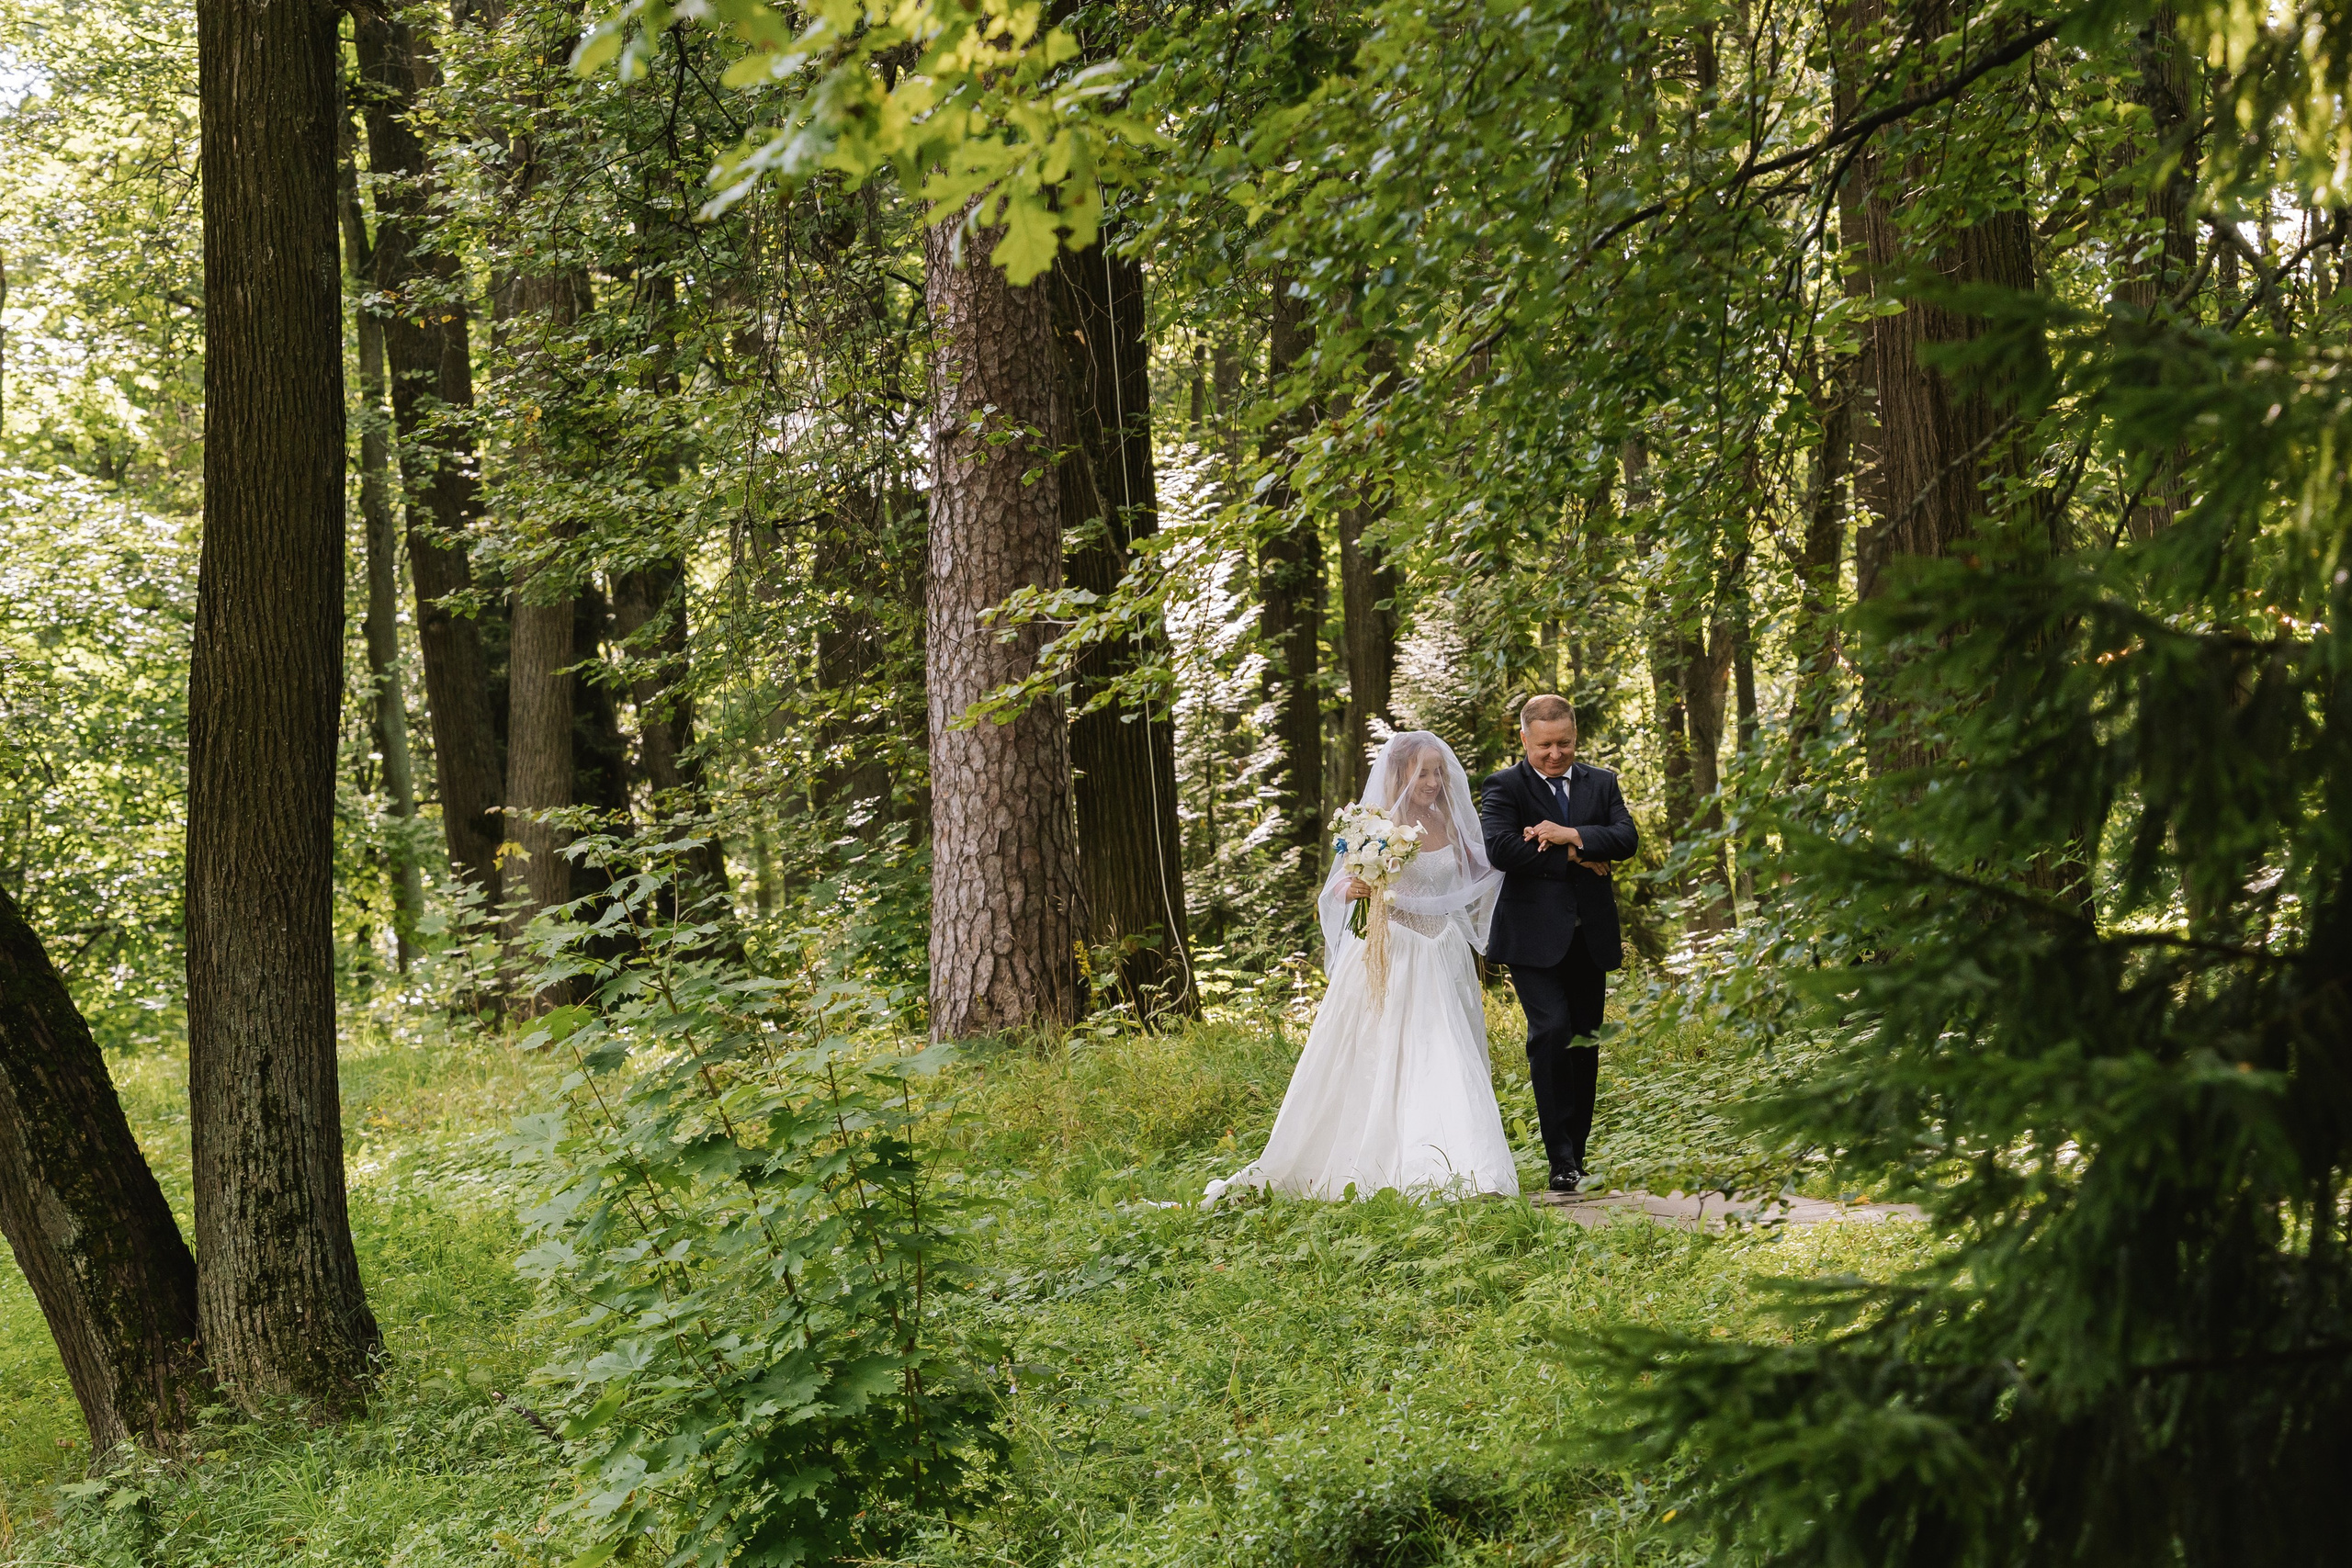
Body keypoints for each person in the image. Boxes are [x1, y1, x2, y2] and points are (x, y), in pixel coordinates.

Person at [1203, 731, 1516, 1204]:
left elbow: (1479, 872)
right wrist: (1352, 889)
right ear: (1400, 774)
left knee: (1448, 1052)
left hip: (1442, 954)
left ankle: (1471, 1168)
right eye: (1423, 772)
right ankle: (1390, 1163)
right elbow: (1340, 887)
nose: (1433, 782)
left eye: (1437, 772)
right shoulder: (1375, 826)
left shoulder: (1448, 820)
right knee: (1387, 1054)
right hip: (1395, 954)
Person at [1479, 694, 1638, 1193]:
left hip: (1589, 936)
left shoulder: (1602, 781)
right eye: (1545, 745)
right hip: (1531, 939)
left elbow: (1626, 839)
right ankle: (1560, 1160)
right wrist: (1576, 854)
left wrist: (1566, 833)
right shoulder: (1504, 786)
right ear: (1524, 739)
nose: (1556, 754)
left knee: (1584, 1041)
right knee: (1551, 1032)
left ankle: (1578, 1153)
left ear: (1575, 735)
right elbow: (1500, 848)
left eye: (1565, 743)